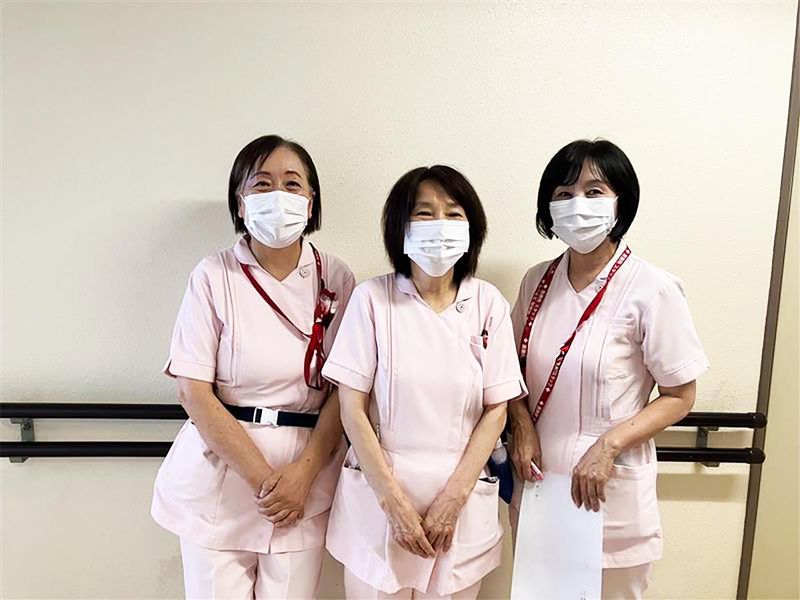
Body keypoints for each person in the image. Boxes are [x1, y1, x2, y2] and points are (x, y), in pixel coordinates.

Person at [151, 135, 355, 599]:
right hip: (222, 478)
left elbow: (345, 390)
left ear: (310, 202)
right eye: (262, 184)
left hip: (305, 477)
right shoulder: (212, 275)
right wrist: (266, 483)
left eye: (292, 184)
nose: (278, 195)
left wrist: (302, 476)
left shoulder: (336, 277)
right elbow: (193, 391)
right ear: (240, 204)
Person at [508, 139, 710, 600]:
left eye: (594, 191)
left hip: (608, 487)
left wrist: (609, 445)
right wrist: (520, 426)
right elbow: (510, 369)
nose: (577, 203)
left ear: (621, 202)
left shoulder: (653, 288)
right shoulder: (536, 281)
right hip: (539, 487)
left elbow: (680, 396)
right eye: (564, 193)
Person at [320, 165, 526, 600]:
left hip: (460, 499)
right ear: (400, 226)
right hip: (380, 499)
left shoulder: (487, 303)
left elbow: (497, 410)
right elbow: (351, 408)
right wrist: (392, 503)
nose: (440, 225)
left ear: (472, 228)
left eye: (453, 214)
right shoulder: (372, 300)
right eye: (424, 213)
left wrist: (453, 500)